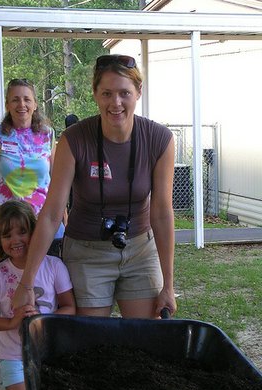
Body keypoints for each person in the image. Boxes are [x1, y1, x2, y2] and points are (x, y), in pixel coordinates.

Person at [13, 54, 177, 319]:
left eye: (125, 92)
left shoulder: (159, 139)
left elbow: (161, 213)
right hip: (86, 250)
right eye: (107, 93)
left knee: (144, 340)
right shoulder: (74, 139)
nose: (116, 103)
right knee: (93, 342)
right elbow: (53, 213)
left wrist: (168, 285)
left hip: (140, 250)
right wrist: (26, 283)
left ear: (138, 92)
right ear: (95, 94)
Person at [0, 200, 75, 390]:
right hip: (13, 355)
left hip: (48, 353)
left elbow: (70, 307)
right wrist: (11, 322)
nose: (15, 240)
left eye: (22, 232)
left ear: (35, 232)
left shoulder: (53, 266)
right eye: (7, 235)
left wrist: (42, 320)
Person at [0, 78, 65, 241]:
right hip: (9, 226)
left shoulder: (48, 134)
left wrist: (64, 218)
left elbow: (57, 181)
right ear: (7, 105)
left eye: (27, 99)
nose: (21, 104)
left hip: (44, 223)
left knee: (50, 267)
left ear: (35, 104)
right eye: (15, 99)